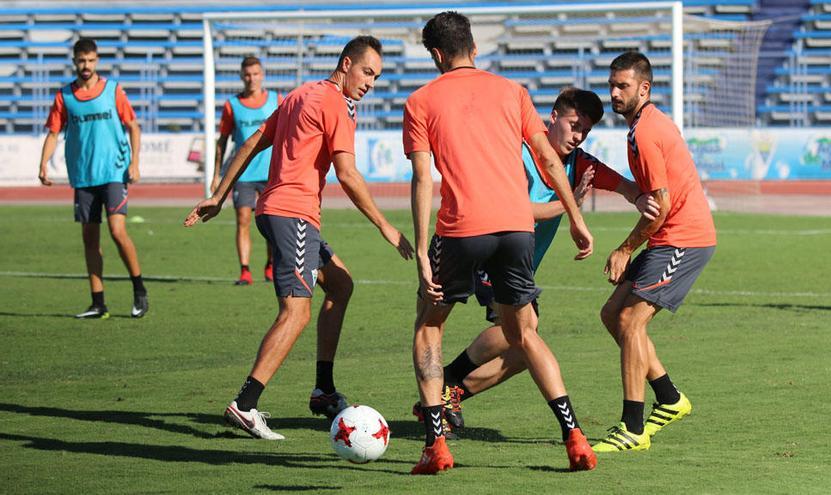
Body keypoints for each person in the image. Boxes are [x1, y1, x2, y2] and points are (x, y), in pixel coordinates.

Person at [185, 35, 414, 440]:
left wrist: (220, 194)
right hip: (293, 213)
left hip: (280, 211)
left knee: (340, 285)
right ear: (346, 64)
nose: (370, 83)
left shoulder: (299, 94)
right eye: (366, 72)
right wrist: (385, 225)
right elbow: (347, 174)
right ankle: (246, 403)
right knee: (297, 312)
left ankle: (323, 390)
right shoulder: (336, 105)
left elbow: (254, 140)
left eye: (376, 77)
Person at [405, 12, 597, 474]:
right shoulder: (514, 92)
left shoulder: (420, 100)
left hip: (461, 228)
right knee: (524, 333)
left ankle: (436, 445)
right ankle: (574, 437)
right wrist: (575, 217)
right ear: (474, 46)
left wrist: (419, 251)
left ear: (436, 55)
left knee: (429, 327)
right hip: (516, 228)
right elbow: (549, 160)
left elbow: (422, 178)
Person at [413, 88, 659, 436]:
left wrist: (642, 198)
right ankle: (447, 384)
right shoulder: (520, 154)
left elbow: (623, 185)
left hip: (517, 264)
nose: (577, 136)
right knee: (520, 333)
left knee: (523, 349)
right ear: (553, 117)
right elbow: (517, 211)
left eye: (585, 132)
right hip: (486, 248)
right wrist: (569, 204)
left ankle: (451, 389)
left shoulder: (580, 164)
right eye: (574, 125)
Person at [591, 51, 716, 452]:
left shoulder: (646, 132)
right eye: (611, 84)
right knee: (612, 314)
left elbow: (659, 206)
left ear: (643, 89)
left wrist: (625, 248)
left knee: (629, 321)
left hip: (685, 238)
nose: (613, 93)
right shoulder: (643, 126)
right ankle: (669, 397)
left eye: (622, 86)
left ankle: (632, 427)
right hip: (667, 235)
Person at [37, 38, 148, 319]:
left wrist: (135, 162)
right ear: (74, 61)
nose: (86, 66)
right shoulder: (65, 96)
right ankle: (98, 302)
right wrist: (43, 164)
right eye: (81, 60)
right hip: (83, 175)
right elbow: (53, 132)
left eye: (90, 60)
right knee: (89, 238)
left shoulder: (113, 91)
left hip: (113, 172)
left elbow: (133, 127)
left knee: (117, 231)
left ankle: (139, 290)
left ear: (96, 60)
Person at [211, 56, 280, 286]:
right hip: (243, 174)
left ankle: (270, 265)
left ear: (262, 75)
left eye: (256, 73)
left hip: (271, 172)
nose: (252, 78)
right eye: (247, 74)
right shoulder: (232, 106)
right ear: (242, 76)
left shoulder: (276, 100)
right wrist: (216, 175)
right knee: (243, 220)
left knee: (271, 221)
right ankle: (245, 270)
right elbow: (222, 142)